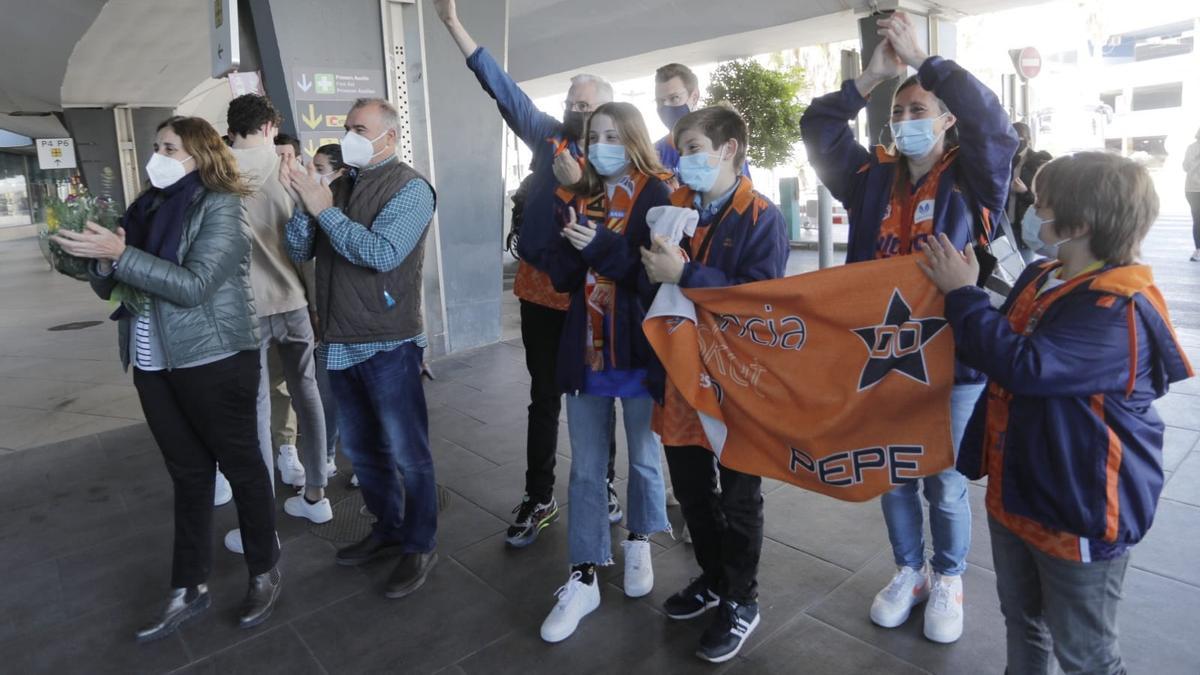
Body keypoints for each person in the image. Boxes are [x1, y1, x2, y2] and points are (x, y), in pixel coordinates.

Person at [919, 151, 1192, 674]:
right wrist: (973, 286)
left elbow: (1024, 365)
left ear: (1082, 222)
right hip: (1018, 491)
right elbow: (1001, 328)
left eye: (1041, 207)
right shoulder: (1048, 272)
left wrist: (962, 295)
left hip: (1078, 512)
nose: (1031, 213)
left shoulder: (1119, 307)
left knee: (1086, 654)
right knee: (1022, 622)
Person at [800, 11, 1018, 644]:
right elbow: (818, 127)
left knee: (943, 481)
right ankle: (909, 570)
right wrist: (871, 77)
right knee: (891, 472)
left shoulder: (975, 179)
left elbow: (995, 126)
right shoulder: (871, 178)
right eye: (899, 113)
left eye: (919, 109)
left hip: (953, 360)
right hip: (881, 355)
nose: (905, 121)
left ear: (947, 121)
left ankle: (949, 576)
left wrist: (927, 62)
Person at [52, 115, 281, 639]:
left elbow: (194, 285)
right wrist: (99, 262)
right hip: (153, 362)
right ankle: (188, 585)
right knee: (188, 473)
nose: (158, 155)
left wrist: (121, 255)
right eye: (155, 146)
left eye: (169, 147)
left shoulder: (219, 207)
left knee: (242, 465)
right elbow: (113, 286)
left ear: (199, 154)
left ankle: (264, 570)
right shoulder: (144, 208)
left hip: (215, 358)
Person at [433, 0, 622, 549]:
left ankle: (604, 483)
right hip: (539, 296)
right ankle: (539, 495)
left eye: (584, 103)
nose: (573, 108)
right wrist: (453, 25)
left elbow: (616, 227)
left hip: (590, 300)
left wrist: (580, 185)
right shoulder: (549, 138)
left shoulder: (618, 161)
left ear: (607, 110)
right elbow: (504, 90)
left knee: (594, 395)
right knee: (544, 398)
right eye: (570, 101)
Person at [640, 105, 788, 663]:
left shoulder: (761, 217)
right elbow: (647, 283)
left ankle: (742, 600)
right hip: (680, 376)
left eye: (694, 147)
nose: (683, 158)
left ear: (728, 150)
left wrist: (686, 275)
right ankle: (713, 578)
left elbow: (760, 301)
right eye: (681, 148)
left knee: (740, 496)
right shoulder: (672, 209)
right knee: (693, 492)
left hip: (737, 381)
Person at [284, 97, 439, 599]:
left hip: (388, 341)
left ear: (388, 139)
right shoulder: (341, 183)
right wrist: (303, 202)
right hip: (339, 339)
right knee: (365, 454)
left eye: (359, 128)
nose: (348, 134)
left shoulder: (412, 189)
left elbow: (381, 253)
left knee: (408, 454)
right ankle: (388, 530)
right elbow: (299, 249)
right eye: (346, 126)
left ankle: (419, 543)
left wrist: (324, 210)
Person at [539, 102, 672, 643]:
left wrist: (599, 245)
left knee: (644, 457)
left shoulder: (659, 195)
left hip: (639, 350)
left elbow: (652, 278)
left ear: (633, 138)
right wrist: (574, 243)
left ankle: (639, 538)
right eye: (595, 136)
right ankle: (584, 572)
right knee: (587, 468)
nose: (601, 145)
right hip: (586, 352)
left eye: (613, 135)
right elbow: (563, 276)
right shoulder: (576, 196)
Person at [227, 94, 330, 534]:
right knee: (307, 392)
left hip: (245, 309)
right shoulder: (292, 172)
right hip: (294, 303)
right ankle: (317, 495)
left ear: (232, 127)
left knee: (256, 406)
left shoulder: (216, 172)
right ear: (270, 127)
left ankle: (262, 517)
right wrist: (317, 305)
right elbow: (308, 250)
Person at [652, 63, 751, 183]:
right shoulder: (652, 154)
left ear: (694, 97)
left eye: (674, 98)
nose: (666, 106)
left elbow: (742, 197)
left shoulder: (720, 146)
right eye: (660, 101)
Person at [1007, 121, 1052, 246]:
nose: (1015, 143)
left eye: (1019, 139)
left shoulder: (1039, 163)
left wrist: (1025, 192)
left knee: (1025, 261)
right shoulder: (1004, 158)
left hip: (1025, 225)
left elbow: (1047, 199)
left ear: (1028, 140)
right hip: (1004, 222)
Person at [1184, 127, 1200, 261]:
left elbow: (1185, 167)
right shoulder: (1191, 148)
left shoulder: (1190, 148)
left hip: (1191, 189)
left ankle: (1198, 250)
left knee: (1197, 220)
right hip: (1194, 189)